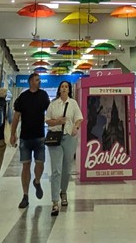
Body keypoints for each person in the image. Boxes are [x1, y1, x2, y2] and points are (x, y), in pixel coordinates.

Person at [10, 73, 50, 209]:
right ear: (31, 81)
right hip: (25, 137)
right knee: (25, 166)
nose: (39, 82)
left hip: (39, 136)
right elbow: (16, 117)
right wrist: (12, 133)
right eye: (37, 80)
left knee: (40, 163)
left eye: (39, 80)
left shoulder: (44, 95)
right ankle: (25, 195)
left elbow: (49, 113)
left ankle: (37, 181)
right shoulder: (23, 97)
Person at [45, 81, 83, 217]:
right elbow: (47, 120)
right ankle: (55, 201)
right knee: (56, 170)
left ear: (69, 89)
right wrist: (57, 122)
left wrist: (76, 127)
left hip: (69, 138)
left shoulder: (73, 103)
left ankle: (64, 192)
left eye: (66, 87)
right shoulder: (53, 104)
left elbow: (79, 118)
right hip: (55, 138)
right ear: (59, 89)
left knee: (66, 168)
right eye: (62, 86)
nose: (64, 88)